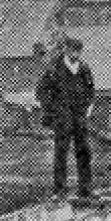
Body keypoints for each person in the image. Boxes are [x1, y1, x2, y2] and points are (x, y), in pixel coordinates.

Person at [39, 38, 95, 199]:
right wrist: (51, 109)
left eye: (78, 51)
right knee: (61, 152)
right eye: (72, 51)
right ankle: (59, 190)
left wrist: (88, 107)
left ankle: (85, 189)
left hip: (79, 117)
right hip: (62, 117)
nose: (75, 54)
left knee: (83, 151)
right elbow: (41, 91)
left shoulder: (84, 68)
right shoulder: (54, 69)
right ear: (66, 50)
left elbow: (91, 91)